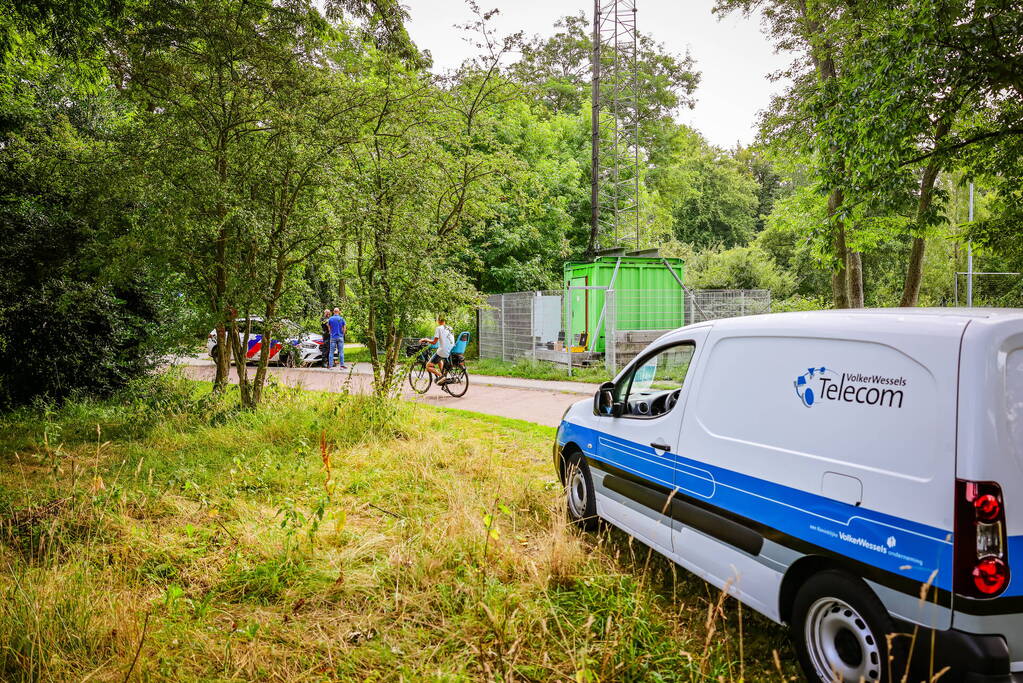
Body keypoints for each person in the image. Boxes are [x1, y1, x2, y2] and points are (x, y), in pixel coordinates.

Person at [420, 316, 454, 383]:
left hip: (443, 351)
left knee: (428, 366)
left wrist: (425, 339)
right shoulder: (450, 328)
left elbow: (434, 342)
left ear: (438, 321)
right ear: (445, 321)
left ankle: (441, 376)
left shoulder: (438, 328)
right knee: (438, 356)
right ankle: (443, 375)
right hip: (451, 350)